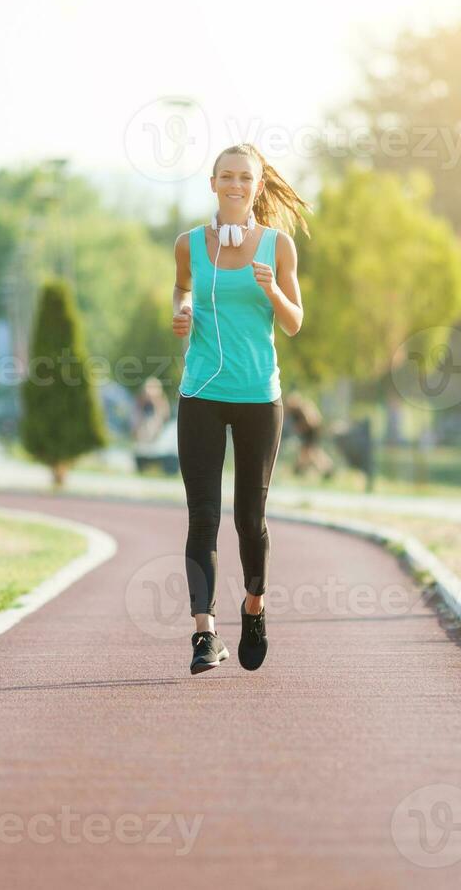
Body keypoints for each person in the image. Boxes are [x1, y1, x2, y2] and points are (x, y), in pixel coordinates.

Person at [171, 142, 311, 675]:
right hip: (200, 393)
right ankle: (204, 635)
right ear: (212, 183)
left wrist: (272, 288)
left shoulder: (278, 246)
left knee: (249, 520)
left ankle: (254, 607)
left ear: (257, 186)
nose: (234, 184)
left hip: (258, 396)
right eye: (225, 175)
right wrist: (181, 312)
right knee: (202, 515)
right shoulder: (188, 244)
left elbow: (295, 322)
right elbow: (182, 290)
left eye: (244, 177)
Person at [286, 390, 336, 480]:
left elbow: (309, 422)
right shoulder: (301, 407)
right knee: (309, 453)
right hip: (311, 432)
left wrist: (299, 428)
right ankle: (300, 470)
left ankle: (327, 469)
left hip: (312, 432)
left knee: (311, 453)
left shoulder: (301, 409)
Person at [131, 376, 170, 445]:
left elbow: (164, 417)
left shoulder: (161, 403)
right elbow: (136, 421)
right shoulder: (140, 402)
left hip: (157, 437)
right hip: (143, 436)